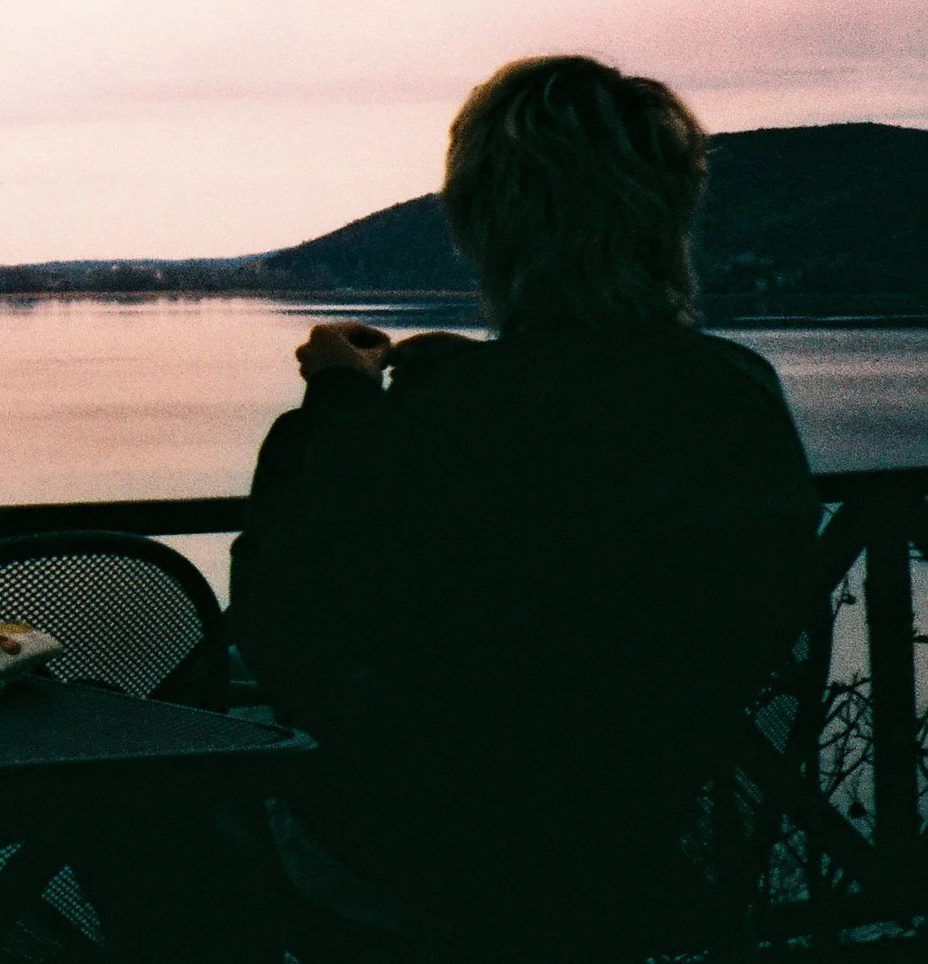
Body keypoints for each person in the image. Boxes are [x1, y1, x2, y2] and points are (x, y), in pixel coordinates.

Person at [228, 55, 820, 959]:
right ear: (668, 212)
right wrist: (467, 377)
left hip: (428, 866)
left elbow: (285, 625)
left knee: (144, 819)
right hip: (633, 850)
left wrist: (340, 407)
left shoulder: (458, 419)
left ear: (486, 222)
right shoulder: (738, 391)